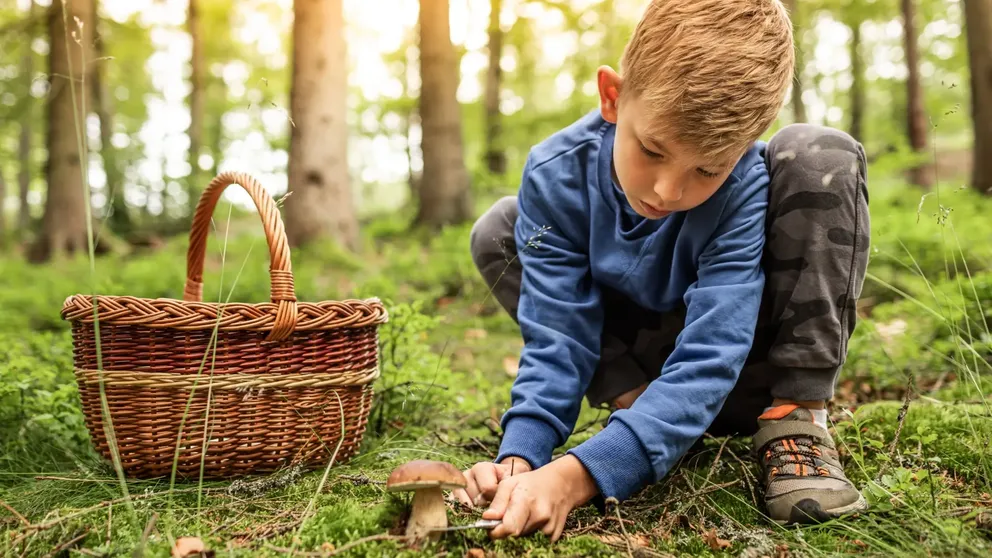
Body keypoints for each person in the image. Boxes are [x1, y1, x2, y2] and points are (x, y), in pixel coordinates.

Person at [453, 0, 871, 541]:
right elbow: (558, 335)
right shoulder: (556, 174)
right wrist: (522, 456)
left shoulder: (743, 183)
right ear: (612, 96)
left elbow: (714, 349)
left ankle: (797, 419)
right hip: (650, 372)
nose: (668, 191)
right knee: (499, 229)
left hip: (741, 367)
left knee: (820, 154)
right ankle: (639, 411)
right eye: (652, 150)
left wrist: (574, 479)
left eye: (707, 169)